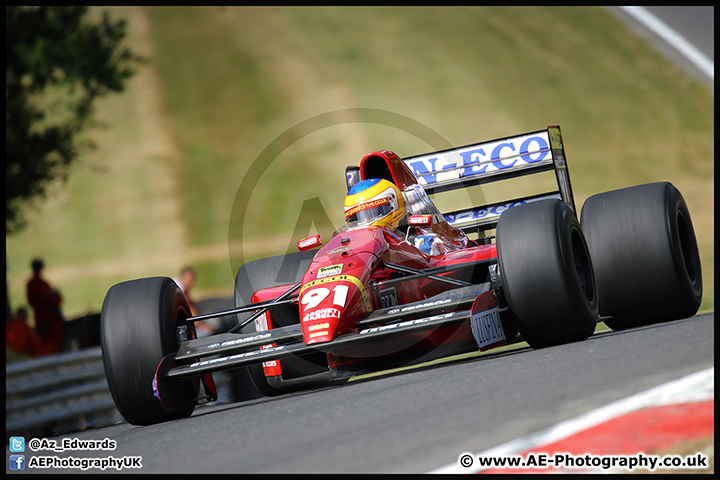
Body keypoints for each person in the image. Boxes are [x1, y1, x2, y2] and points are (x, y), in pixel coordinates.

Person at [26, 258, 65, 353]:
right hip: (49, 320)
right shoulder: (41, 284)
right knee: (55, 342)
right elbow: (53, 300)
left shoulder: (31, 284)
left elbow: (30, 301)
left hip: (40, 319)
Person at [173, 266, 217, 337]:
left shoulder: (176, 286)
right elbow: (192, 313)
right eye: (190, 280)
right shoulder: (179, 291)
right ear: (183, 277)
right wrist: (204, 327)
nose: (192, 283)